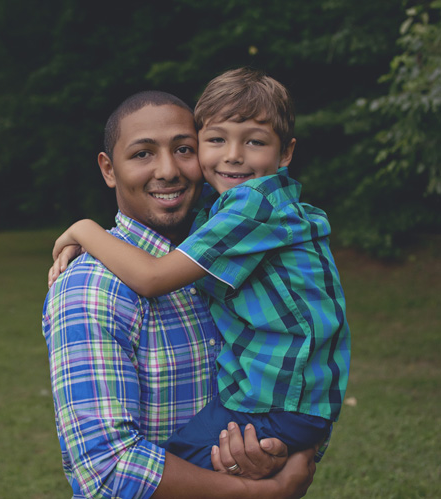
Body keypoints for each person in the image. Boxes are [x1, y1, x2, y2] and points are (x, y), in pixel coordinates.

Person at [50, 68, 350, 472]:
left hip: (280, 406)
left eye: (183, 149)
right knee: (175, 470)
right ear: (108, 169)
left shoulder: (246, 212)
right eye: (215, 141)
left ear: (285, 153)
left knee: (182, 462)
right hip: (294, 404)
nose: (232, 156)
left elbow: (154, 277)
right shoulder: (90, 288)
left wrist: (84, 229)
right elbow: (108, 472)